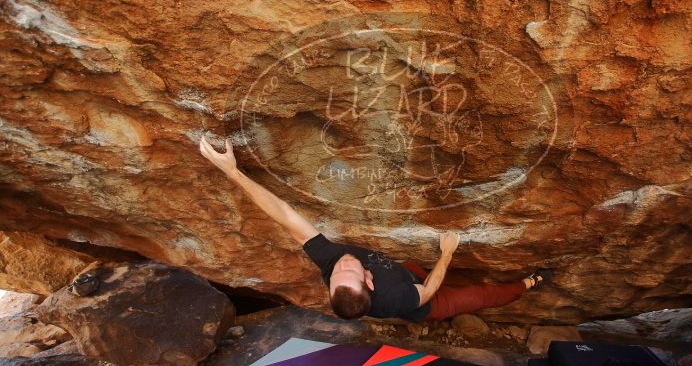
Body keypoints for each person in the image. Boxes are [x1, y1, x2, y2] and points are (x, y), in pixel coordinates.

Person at [199, 137, 552, 322]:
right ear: (368, 281)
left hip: (404, 272)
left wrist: (232, 172)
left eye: (337, 272)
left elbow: (285, 216)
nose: (342, 263)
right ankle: (528, 284)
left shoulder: (332, 267)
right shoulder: (394, 299)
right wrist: (446, 254)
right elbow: (427, 291)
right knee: (479, 295)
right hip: (425, 299)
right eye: (349, 269)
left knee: (416, 270)